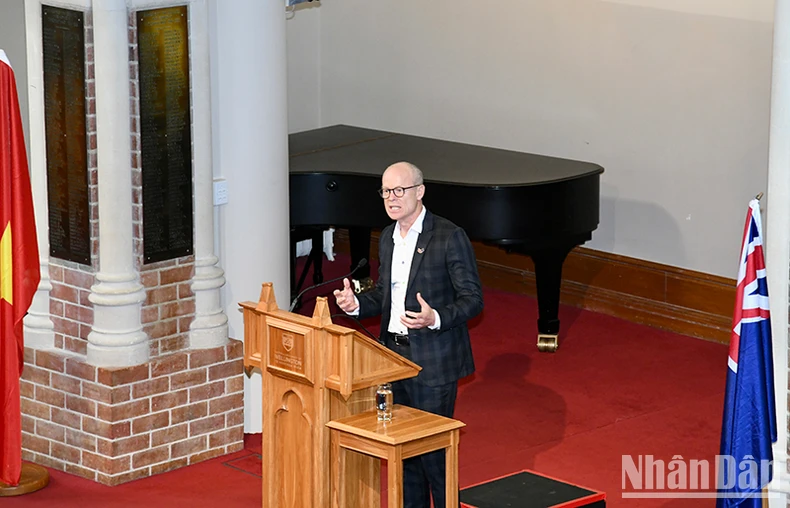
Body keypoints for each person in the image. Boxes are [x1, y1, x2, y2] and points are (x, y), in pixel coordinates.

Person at [334, 161, 484, 508]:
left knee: (434, 456)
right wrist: (356, 304)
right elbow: (387, 296)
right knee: (405, 457)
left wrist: (435, 317)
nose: (392, 198)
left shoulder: (448, 236)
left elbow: (473, 300)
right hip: (393, 360)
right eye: (386, 191)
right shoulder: (388, 237)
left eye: (399, 190)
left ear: (420, 192)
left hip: (433, 363)